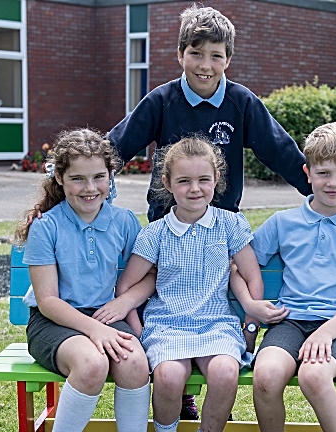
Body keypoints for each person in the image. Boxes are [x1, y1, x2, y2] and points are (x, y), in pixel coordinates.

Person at [106, 4, 313, 418]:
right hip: (168, 223)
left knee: (223, 293)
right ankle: (178, 388)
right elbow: (113, 148)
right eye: (196, 53)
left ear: (228, 60)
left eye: (216, 55)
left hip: (222, 227)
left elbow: (283, 153)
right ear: (180, 54)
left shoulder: (241, 102)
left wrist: (325, 198)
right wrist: (61, 195)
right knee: (168, 290)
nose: (205, 64)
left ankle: (224, 378)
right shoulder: (161, 101)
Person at [92, 136, 288, 432]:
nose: (194, 189)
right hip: (167, 325)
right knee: (169, 377)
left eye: (203, 180)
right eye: (184, 181)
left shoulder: (231, 224)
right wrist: (138, 332)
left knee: (224, 373)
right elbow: (126, 287)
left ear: (216, 179)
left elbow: (251, 277)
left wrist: (250, 327)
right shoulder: (155, 234)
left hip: (216, 322)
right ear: (168, 183)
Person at [245, 122, 336, 432]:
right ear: (307, 173)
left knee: (313, 376)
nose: (333, 183)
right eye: (323, 173)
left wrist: (326, 332)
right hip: (289, 322)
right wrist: (250, 304)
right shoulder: (283, 222)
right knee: (267, 375)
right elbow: (241, 265)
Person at [13, 129, 152, 432]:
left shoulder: (124, 222)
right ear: (60, 178)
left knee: (135, 364)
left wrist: (124, 302)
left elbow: (148, 276)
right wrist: (95, 331)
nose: (90, 188)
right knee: (92, 364)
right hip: (53, 323)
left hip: (105, 316)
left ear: (111, 175)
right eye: (77, 179)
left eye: (99, 176)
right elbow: (47, 301)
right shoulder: (46, 226)